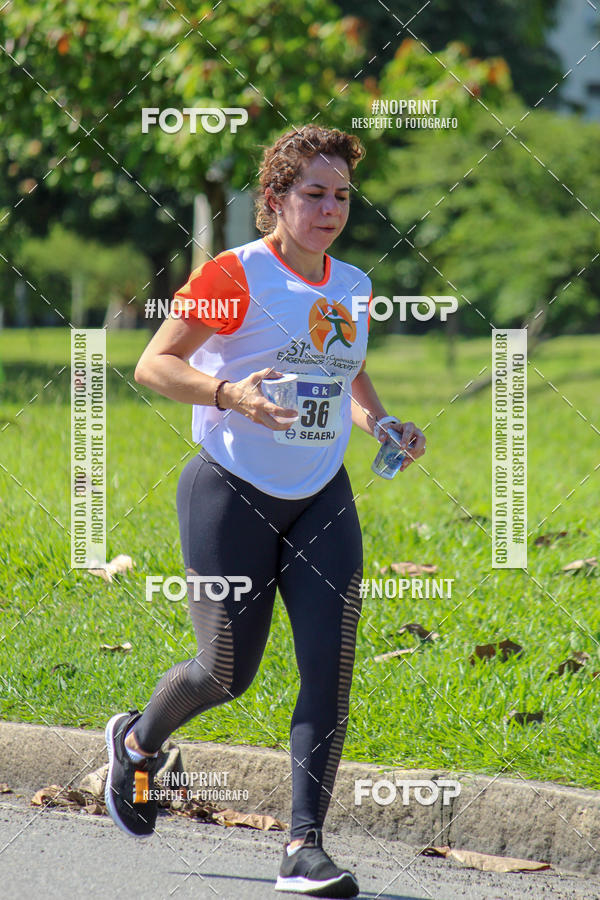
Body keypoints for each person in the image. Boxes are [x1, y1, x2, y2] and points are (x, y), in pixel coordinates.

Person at [104, 124, 426, 898]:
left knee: (331, 670)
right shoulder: (232, 273)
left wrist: (382, 422)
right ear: (275, 198)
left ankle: (302, 847)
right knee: (225, 672)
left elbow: (345, 372)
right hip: (230, 488)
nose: (331, 208)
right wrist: (230, 394)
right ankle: (138, 744)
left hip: (321, 495)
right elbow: (154, 363)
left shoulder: (354, 284)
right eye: (314, 193)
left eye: (342, 195)